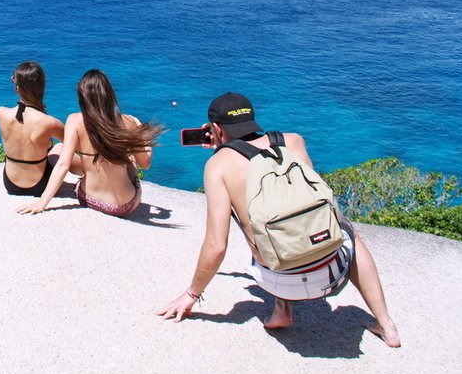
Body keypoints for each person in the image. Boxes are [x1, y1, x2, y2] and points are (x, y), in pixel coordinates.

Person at [156, 93, 401, 347]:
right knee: (345, 230)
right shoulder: (294, 142)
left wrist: (191, 294)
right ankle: (387, 325)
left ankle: (282, 310)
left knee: (261, 228)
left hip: (278, 279)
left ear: (215, 129)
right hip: (332, 269)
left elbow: (216, 245)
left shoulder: (218, 166)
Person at [17, 69, 160, 217]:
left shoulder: (74, 120)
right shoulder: (130, 121)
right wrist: (144, 136)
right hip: (125, 206)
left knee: (60, 149)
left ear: (82, 96)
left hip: (88, 199)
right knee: (129, 159)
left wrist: (42, 204)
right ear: (110, 94)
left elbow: (63, 165)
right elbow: (145, 164)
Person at [0, 61, 65, 196]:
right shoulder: (50, 122)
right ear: (42, 87)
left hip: (10, 184)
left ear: (17, 88)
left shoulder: (1, 113)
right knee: (61, 147)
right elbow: (74, 144)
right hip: (41, 185)